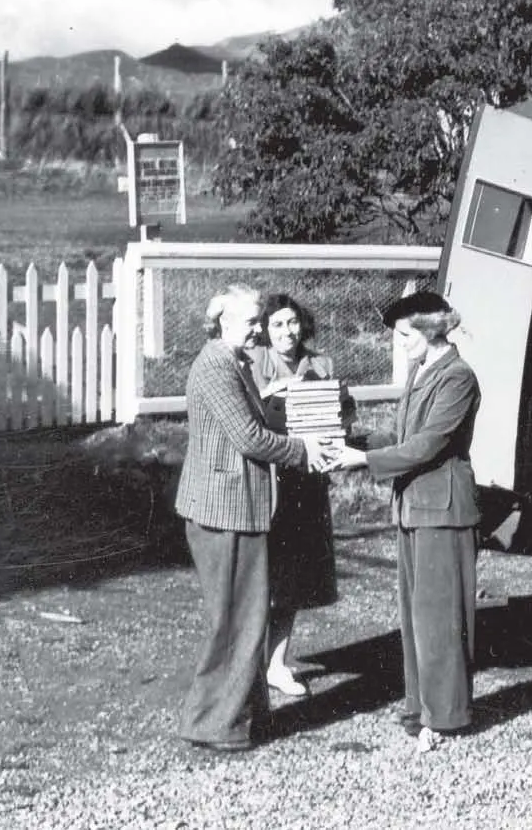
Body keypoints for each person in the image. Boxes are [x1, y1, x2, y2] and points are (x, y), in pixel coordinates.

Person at [172, 285, 333, 753]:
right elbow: (248, 438)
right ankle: (213, 723)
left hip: (237, 507)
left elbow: (249, 424)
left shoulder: (233, 363)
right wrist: (302, 451)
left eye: (260, 322)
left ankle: (241, 717)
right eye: (251, 323)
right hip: (224, 510)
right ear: (222, 323)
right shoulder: (216, 366)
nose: (260, 330)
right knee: (235, 622)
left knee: (246, 619)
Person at [329, 290, 480, 753]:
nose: (400, 343)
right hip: (414, 506)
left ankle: (447, 715)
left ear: (432, 330)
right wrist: (347, 438)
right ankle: (421, 706)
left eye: (405, 335)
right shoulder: (421, 372)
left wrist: (361, 459)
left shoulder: (458, 378)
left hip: (444, 509)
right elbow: (400, 435)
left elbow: (428, 445)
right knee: (416, 616)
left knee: (440, 617)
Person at [247, 291, 353, 704]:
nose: (286, 331)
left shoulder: (321, 363)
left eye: (292, 323)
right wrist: (277, 388)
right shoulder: (254, 363)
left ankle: (277, 662)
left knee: (294, 578)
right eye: (277, 324)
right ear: (265, 330)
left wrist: (339, 408)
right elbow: (247, 414)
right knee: (264, 575)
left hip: (307, 479)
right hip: (270, 477)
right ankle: (251, 662)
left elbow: (343, 412)